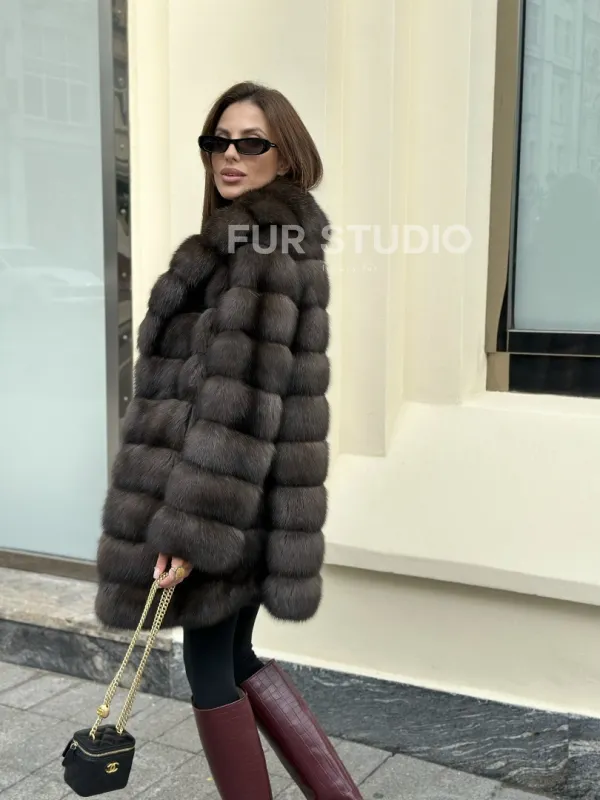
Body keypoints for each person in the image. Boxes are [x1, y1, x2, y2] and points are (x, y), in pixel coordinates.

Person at [94, 81, 363, 799]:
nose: (230, 156)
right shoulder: (262, 241)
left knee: (210, 668)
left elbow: (237, 404)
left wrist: (190, 531)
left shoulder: (258, 251)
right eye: (219, 141)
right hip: (247, 502)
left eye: (251, 143)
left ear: (286, 156)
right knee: (236, 658)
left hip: (220, 504)